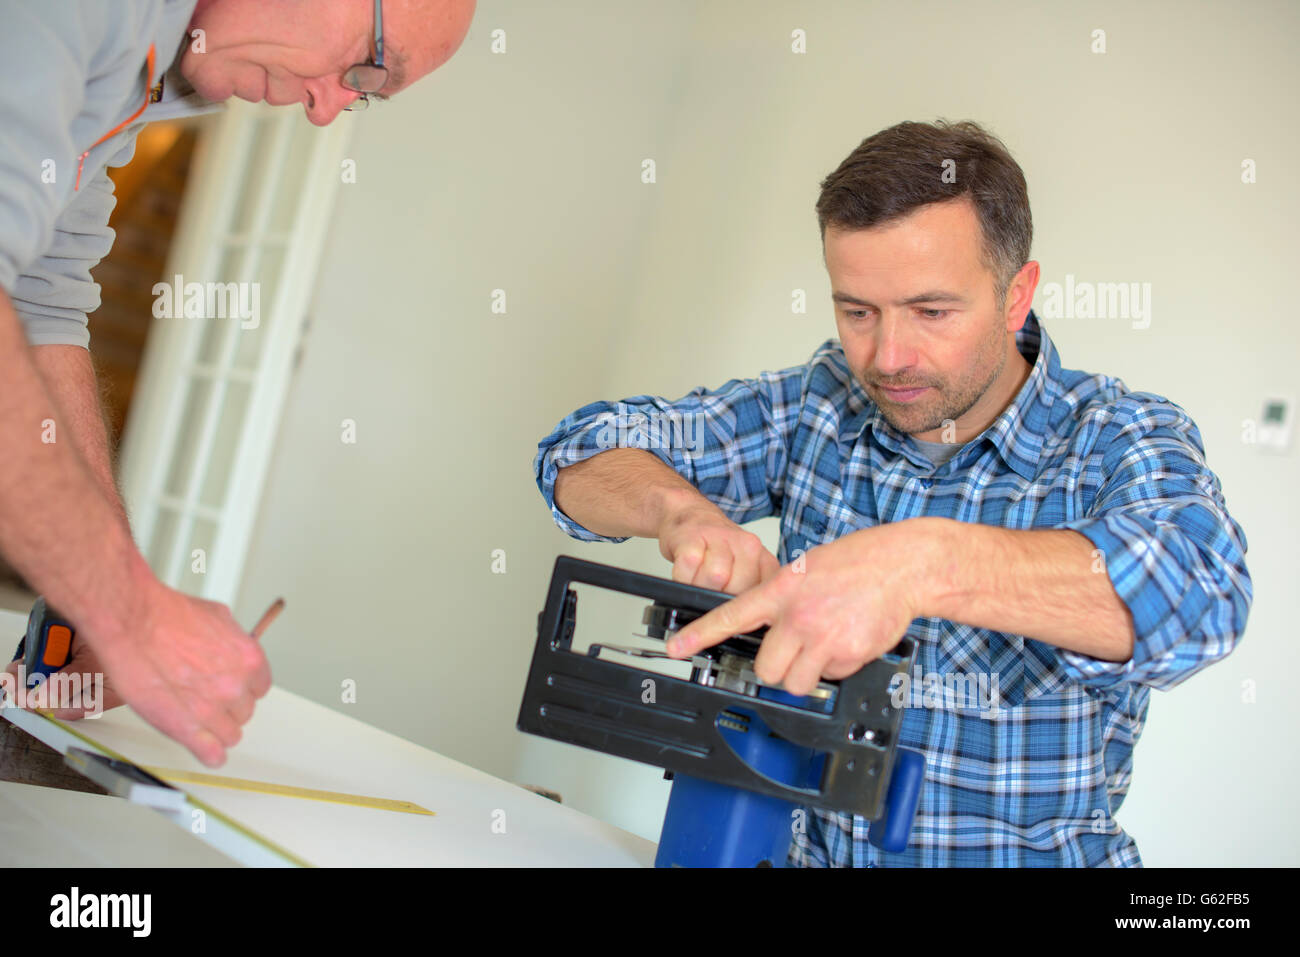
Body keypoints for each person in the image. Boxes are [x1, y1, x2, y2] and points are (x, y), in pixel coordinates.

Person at [533, 119, 1252, 866]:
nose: (889, 357)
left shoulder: (1114, 436)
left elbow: (1204, 591)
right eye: (857, 311)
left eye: (932, 311)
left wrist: (923, 563)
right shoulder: (821, 400)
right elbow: (576, 455)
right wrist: (678, 511)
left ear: (1016, 295)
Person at [0, 0, 476, 767]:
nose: (327, 109)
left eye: (366, 96)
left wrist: (96, 592)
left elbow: (42, 295)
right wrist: (127, 611)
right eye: (367, 66)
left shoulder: (146, 69)